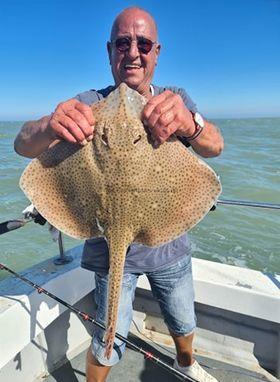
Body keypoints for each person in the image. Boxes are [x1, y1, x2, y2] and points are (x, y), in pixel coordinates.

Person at [14, 7, 224, 382]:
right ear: (109, 50)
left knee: (182, 318)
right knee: (106, 334)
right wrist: (49, 125)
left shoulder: (176, 99)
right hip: (108, 245)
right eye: (123, 43)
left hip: (169, 244)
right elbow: (23, 144)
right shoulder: (88, 101)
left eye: (143, 44)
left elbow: (214, 146)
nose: (133, 52)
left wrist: (190, 123)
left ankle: (187, 363)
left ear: (156, 52)